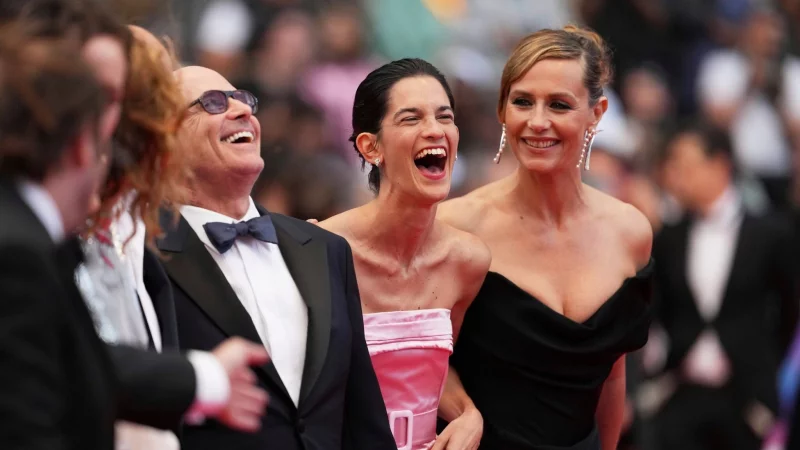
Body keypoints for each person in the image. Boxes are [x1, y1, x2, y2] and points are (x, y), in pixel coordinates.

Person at [0, 22, 267, 450]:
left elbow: (81, 360)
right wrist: (205, 378)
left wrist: (200, 378)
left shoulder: (133, 229)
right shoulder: (24, 243)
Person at [150, 65, 396, 450]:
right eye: (212, 103)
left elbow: (361, 414)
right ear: (162, 141)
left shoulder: (323, 247)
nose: (242, 110)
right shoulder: (146, 255)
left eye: (245, 99)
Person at [436, 25, 654, 450]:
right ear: (502, 110)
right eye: (522, 102)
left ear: (597, 113)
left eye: (558, 104)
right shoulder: (456, 225)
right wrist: (465, 411)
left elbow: (613, 374)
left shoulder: (630, 232)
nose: (537, 122)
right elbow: (424, 359)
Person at [315, 58, 490, 450]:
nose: (435, 130)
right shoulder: (319, 249)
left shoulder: (468, 260)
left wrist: (468, 413)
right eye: (411, 119)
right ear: (370, 146)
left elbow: (433, 367)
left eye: (444, 117)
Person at [653, 124, 797, 450]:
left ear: (720, 165)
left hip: (747, 399)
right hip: (681, 392)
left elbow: (789, 311)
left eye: (686, 165)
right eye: (673, 165)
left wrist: (763, 365)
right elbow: (658, 310)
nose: (676, 175)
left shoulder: (770, 233)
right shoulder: (668, 237)